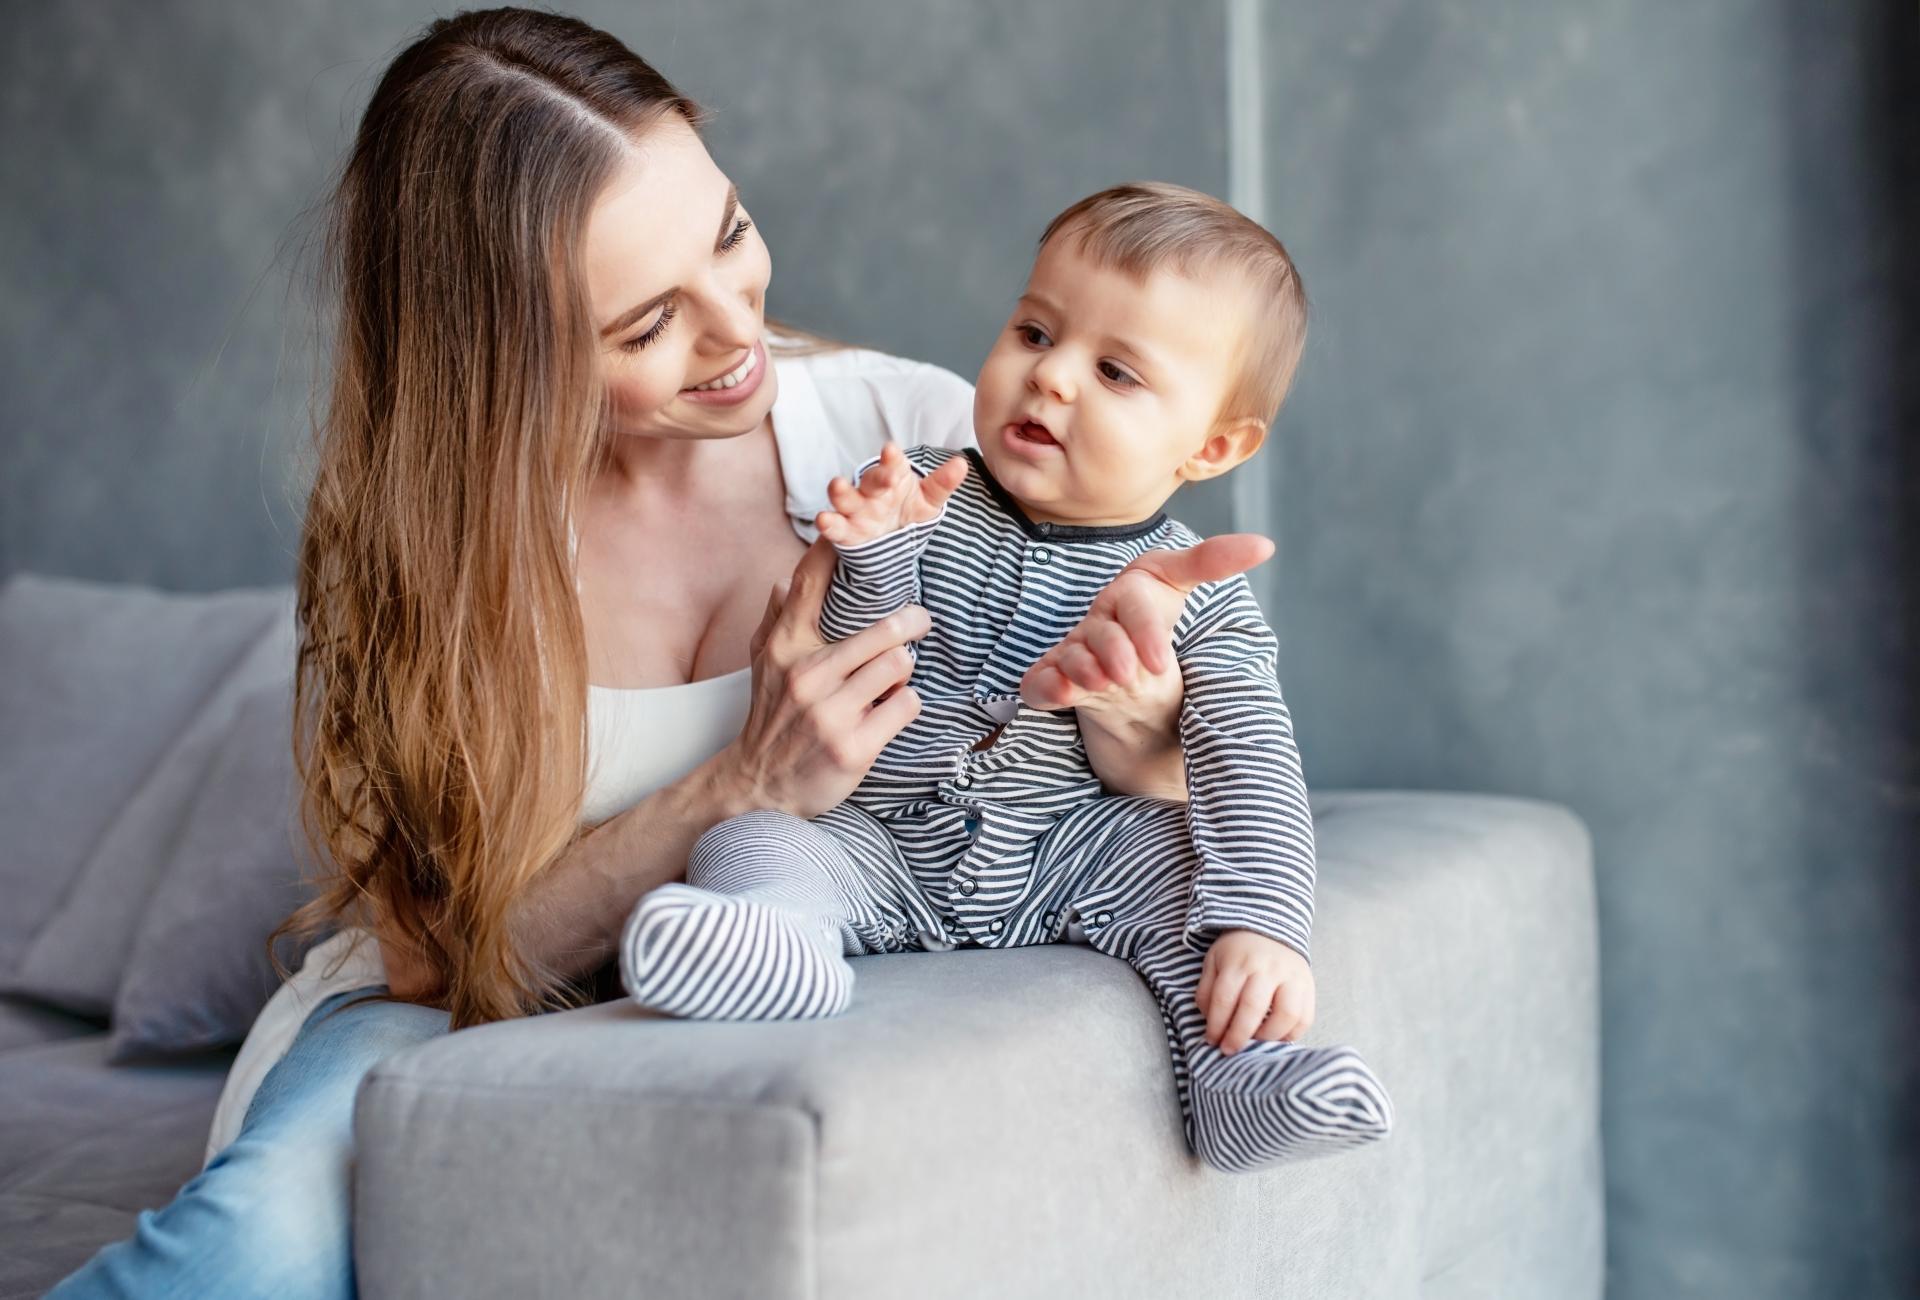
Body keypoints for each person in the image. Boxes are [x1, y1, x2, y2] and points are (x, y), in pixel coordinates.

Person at [48, 10, 1271, 1298]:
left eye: (732, 235)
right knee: (258, 1241)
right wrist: (740, 787)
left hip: (748, 1009)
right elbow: (425, 960)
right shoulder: (426, 547)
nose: (739, 332)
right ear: (504, 352)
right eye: (645, 328)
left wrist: (1140, 732)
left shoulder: (912, 440)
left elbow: (1097, 804)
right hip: (433, 1023)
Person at [619, 182, 1395, 1172]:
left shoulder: (1199, 595)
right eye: (1035, 332)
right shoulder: (924, 490)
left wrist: (1265, 927)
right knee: (753, 840)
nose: (1051, 377)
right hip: (882, 842)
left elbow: (1254, 771)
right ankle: (771, 949)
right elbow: (848, 668)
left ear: (1213, 445)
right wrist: (873, 557)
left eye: (1115, 372)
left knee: (1182, 872)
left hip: (1072, 854)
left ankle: (1239, 1079)